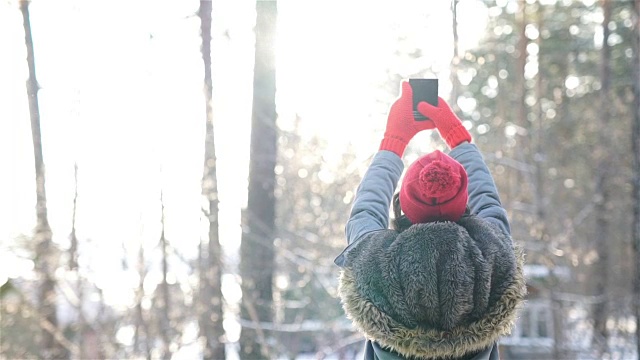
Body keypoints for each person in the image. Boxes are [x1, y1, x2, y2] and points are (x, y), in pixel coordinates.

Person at [334, 81, 527, 360]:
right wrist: (459, 138)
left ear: (403, 205)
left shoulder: (375, 260)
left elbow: (366, 209)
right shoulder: (491, 254)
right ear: (464, 204)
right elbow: (488, 200)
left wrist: (393, 142)